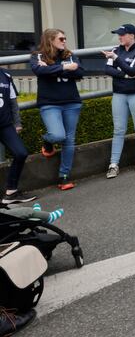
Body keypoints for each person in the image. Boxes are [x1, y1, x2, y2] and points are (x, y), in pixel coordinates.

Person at [31, 28, 84, 190]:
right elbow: (39, 70)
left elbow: (80, 73)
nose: (64, 41)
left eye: (65, 38)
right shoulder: (38, 56)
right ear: (50, 40)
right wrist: (66, 68)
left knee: (69, 140)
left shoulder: (69, 54)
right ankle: (47, 142)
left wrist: (52, 68)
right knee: (57, 135)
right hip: (49, 104)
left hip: (72, 102)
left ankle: (64, 176)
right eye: (61, 39)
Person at [103, 24, 135, 179]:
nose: (119, 37)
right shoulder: (116, 50)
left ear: (132, 36)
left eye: (122, 34)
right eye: (119, 35)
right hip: (119, 94)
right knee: (118, 129)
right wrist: (125, 75)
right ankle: (113, 164)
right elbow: (108, 70)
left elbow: (133, 70)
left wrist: (117, 61)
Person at [0, 69, 35, 206]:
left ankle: (11, 192)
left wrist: (17, 123)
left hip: (5, 125)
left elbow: (13, 102)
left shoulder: (6, 75)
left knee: (21, 153)